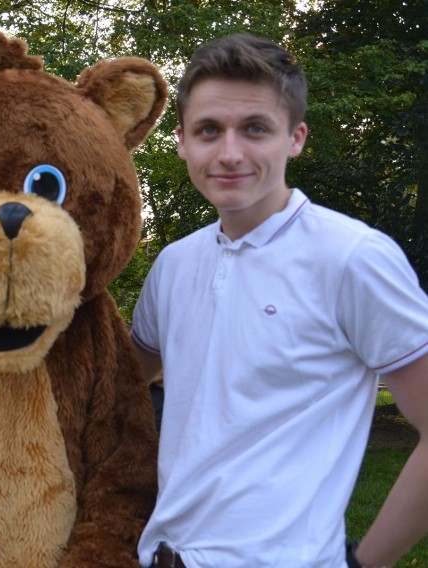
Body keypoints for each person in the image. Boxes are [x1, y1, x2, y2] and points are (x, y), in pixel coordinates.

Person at [132, 33, 428, 568]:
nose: (229, 153)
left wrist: (367, 563)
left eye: (255, 129)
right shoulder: (173, 264)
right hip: (158, 557)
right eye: (208, 131)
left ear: (295, 138)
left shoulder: (352, 257)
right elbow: (116, 386)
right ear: (181, 141)